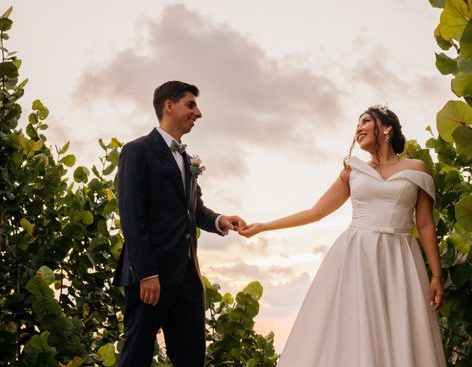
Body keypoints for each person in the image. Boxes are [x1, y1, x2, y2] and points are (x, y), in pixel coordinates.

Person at [239, 104, 447, 366]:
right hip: (357, 257)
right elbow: (315, 212)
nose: (358, 128)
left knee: (401, 328)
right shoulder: (353, 171)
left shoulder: (417, 169)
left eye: (365, 121)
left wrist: (436, 276)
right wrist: (263, 226)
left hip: (400, 259)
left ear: (386, 128)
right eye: (357, 125)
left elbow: (426, 224)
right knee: (355, 331)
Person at [113, 80, 246, 367]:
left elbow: (194, 210)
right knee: (137, 354)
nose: (198, 113)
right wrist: (146, 273)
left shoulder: (187, 160)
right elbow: (132, 217)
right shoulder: (137, 151)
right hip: (151, 276)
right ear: (168, 106)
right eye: (191, 104)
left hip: (187, 276)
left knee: (191, 357)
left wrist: (221, 220)